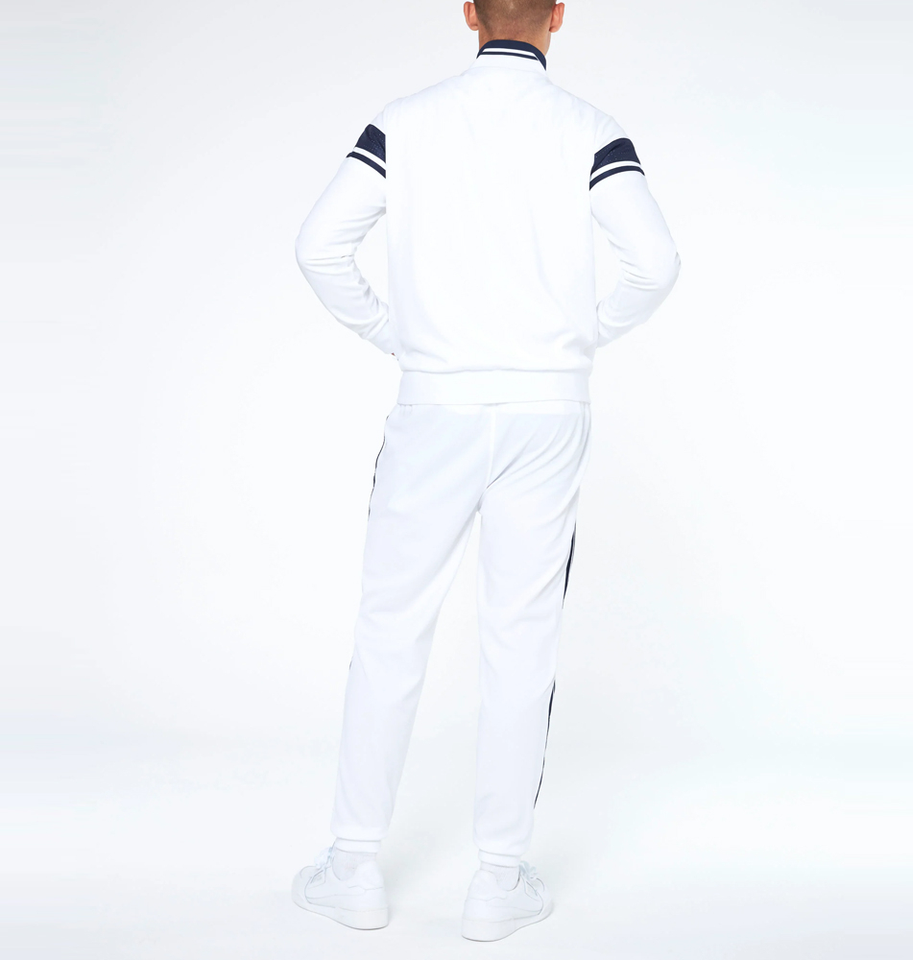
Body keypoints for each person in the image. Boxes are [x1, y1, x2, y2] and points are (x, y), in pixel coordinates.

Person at [291, 0, 680, 942]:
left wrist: (396, 334)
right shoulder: (590, 129)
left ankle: (353, 868)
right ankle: (496, 882)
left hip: (434, 403)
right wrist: (579, 338)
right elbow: (656, 262)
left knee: (391, 627)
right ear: (560, 14)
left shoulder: (405, 123)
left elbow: (317, 245)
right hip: (549, 410)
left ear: (467, 12)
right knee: (522, 636)